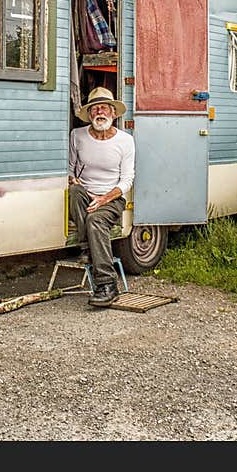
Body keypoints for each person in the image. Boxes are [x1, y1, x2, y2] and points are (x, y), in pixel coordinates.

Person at [68, 86, 135, 307]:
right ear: (89, 115)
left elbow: (127, 181)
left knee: (96, 220)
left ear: (113, 113)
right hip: (85, 195)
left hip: (112, 199)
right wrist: (73, 180)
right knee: (75, 192)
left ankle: (107, 285)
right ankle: (88, 248)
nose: (100, 112)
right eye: (95, 109)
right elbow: (70, 168)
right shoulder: (77, 136)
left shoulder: (125, 141)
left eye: (104, 108)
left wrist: (104, 199)